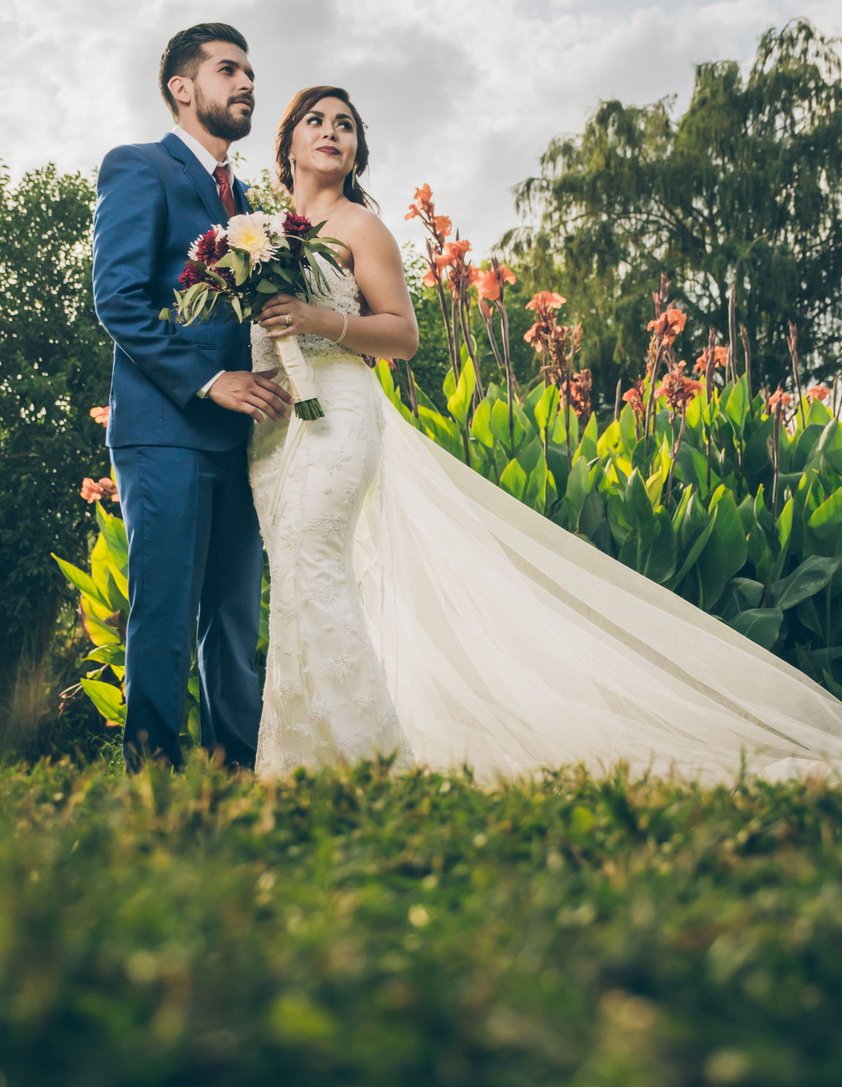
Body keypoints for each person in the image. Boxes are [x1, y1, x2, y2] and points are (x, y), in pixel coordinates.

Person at [249, 86, 842, 784]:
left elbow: (403, 336)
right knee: (297, 573)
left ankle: (364, 759)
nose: (331, 132)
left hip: (341, 415)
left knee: (314, 561)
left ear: (356, 150)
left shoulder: (362, 227)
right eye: (315, 122)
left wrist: (321, 323)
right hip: (276, 434)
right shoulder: (256, 236)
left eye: (344, 125)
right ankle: (301, 755)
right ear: (287, 143)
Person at [92, 23, 290, 771]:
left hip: (242, 436)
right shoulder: (138, 167)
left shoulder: (249, 202)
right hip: (166, 428)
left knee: (235, 620)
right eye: (228, 70)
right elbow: (118, 298)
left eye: (249, 73)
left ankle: (233, 774)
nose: (246, 84)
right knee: (165, 614)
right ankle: (151, 778)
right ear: (183, 87)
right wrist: (210, 381)